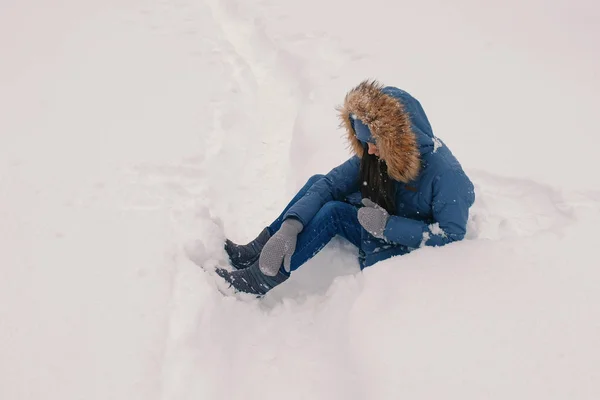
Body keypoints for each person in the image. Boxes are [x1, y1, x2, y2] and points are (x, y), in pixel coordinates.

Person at [217, 80, 475, 296]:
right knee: (317, 182)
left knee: (333, 213)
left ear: (394, 139)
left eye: (374, 142)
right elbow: (330, 183)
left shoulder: (446, 175)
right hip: (380, 212)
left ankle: (261, 279)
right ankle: (259, 248)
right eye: (364, 142)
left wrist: (387, 227)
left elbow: (452, 236)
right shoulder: (377, 154)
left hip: (398, 245)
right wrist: (290, 227)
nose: (370, 151)